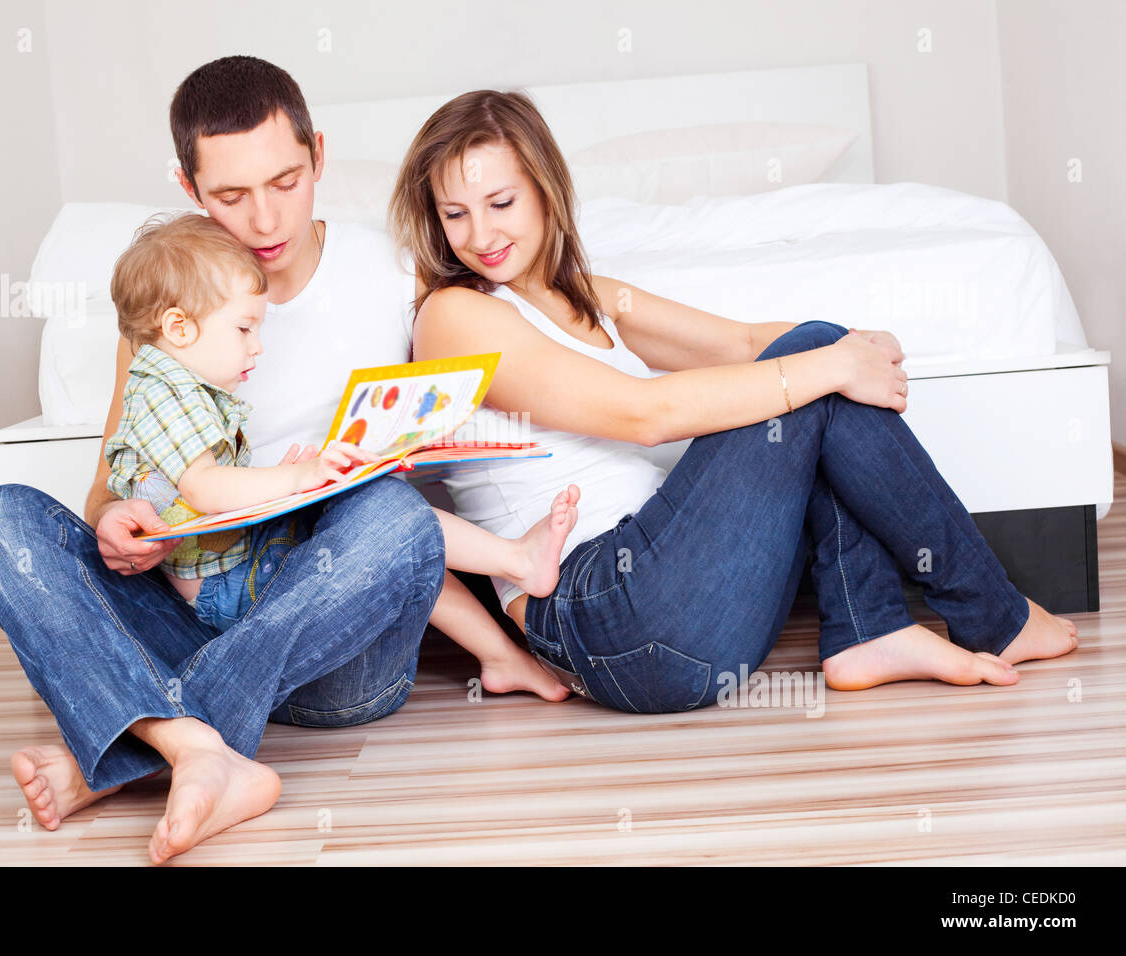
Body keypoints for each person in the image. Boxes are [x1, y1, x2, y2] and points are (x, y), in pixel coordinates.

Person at [387, 89, 1081, 712]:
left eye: (500, 204)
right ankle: (990, 616)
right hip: (602, 611)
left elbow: (744, 342)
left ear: (544, 191)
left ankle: (873, 632)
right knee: (817, 362)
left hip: (682, 613)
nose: (480, 236)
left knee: (819, 352)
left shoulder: (585, 293)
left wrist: (856, 345)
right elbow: (643, 414)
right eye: (455, 214)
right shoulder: (453, 314)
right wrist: (831, 359)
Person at [0, 55, 482, 866]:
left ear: (318, 153)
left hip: (329, 647)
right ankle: (202, 750)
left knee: (397, 522)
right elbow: (111, 474)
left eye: (286, 180)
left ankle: (132, 748)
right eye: (232, 198)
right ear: (188, 186)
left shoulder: (394, 268)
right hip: (184, 604)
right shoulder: (167, 302)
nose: (267, 219)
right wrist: (112, 521)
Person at [103, 210, 580, 690]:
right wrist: (296, 478)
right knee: (384, 515)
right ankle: (513, 572)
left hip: (239, 564)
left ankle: (502, 638)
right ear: (180, 328)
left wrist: (288, 486)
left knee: (374, 506)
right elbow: (205, 489)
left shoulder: (185, 389)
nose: (258, 347)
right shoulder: (164, 391)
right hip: (227, 590)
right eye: (244, 329)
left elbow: (207, 495)